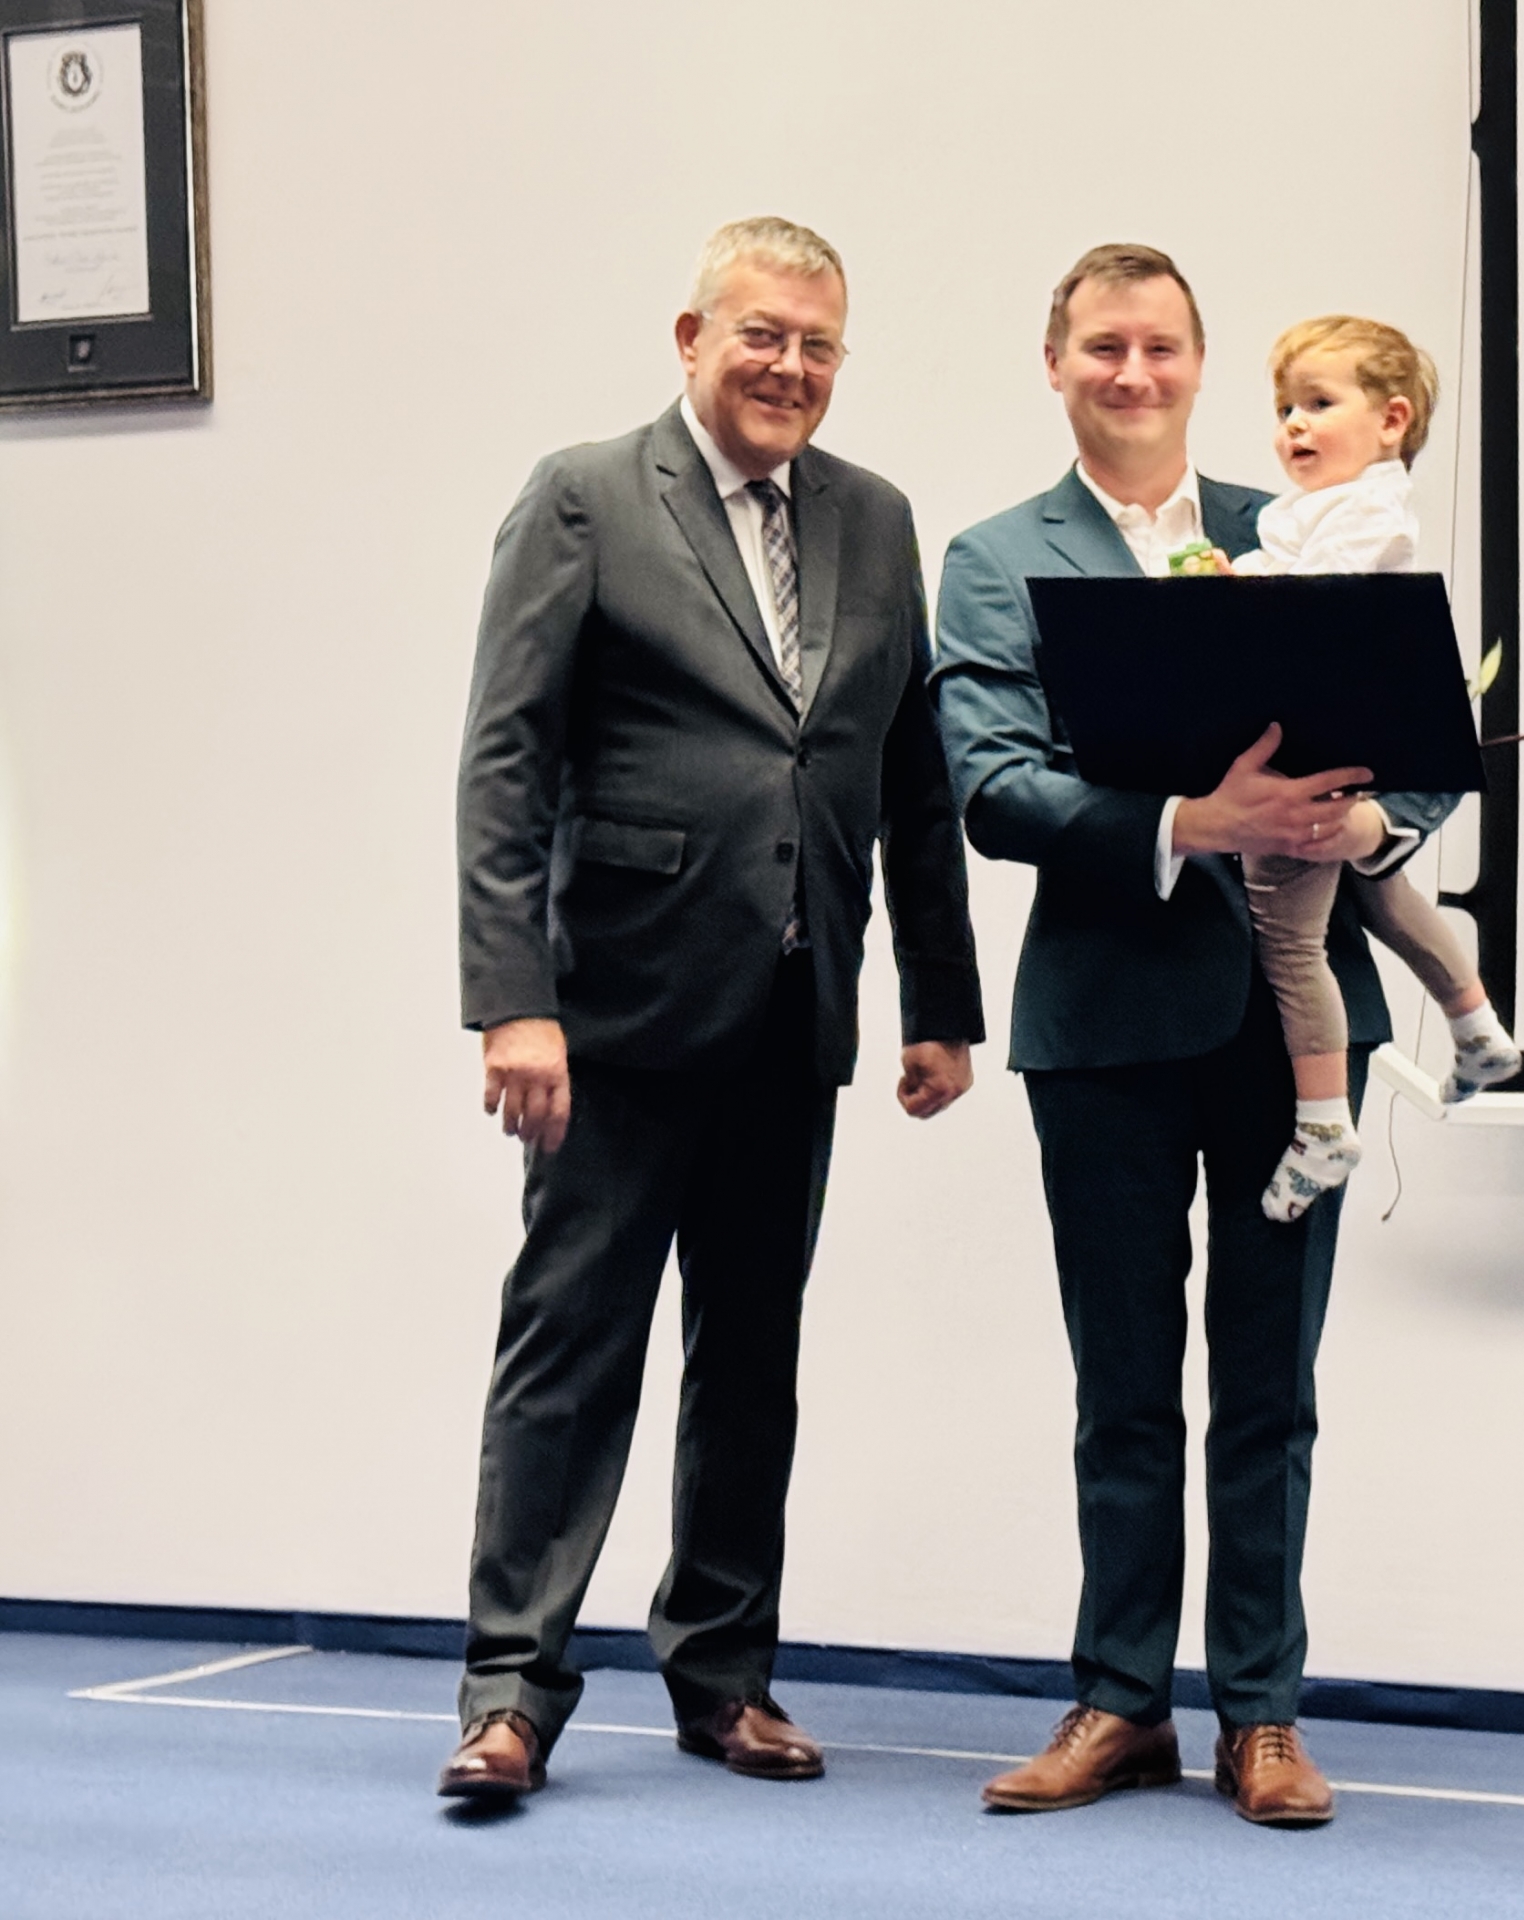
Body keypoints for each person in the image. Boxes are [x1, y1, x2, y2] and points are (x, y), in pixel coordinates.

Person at [442, 216, 985, 1803]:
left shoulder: (875, 520)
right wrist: (513, 1001)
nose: (790, 367)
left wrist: (938, 999)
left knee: (751, 1361)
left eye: (818, 344)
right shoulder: (585, 495)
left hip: (794, 1008)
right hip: (611, 1015)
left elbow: (909, 773)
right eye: (763, 334)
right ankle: (511, 1690)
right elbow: (506, 760)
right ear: (691, 338)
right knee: (571, 1353)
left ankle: (725, 1675)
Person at [930, 245, 1452, 1827]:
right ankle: (1118, 1704)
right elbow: (992, 783)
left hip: (1296, 1039)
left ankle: (1262, 1718)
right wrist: (1189, 821)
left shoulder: (1303, 519)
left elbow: (1421, 749)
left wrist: (1363, 824)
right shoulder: (995, 557)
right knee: (1124, 1387)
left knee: (1271, 1389)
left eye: (1160, 346)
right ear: (1056, 364)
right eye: (1104, 346)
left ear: (1200, 364)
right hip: (1102, 1024)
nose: (1133, 372)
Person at [1227, 314, 1522, 1222]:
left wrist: (1232, 598)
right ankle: (1475, 1024)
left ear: (1391, 421)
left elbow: (1315, 607)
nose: (1294, 424)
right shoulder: (1322, 507)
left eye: (1318, 403)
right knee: (1379, 886)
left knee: (1288, 938)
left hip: (1309, 753)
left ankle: (1323, 1124)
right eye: (1285, 407)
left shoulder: (1365, 511)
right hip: (1338, 739)